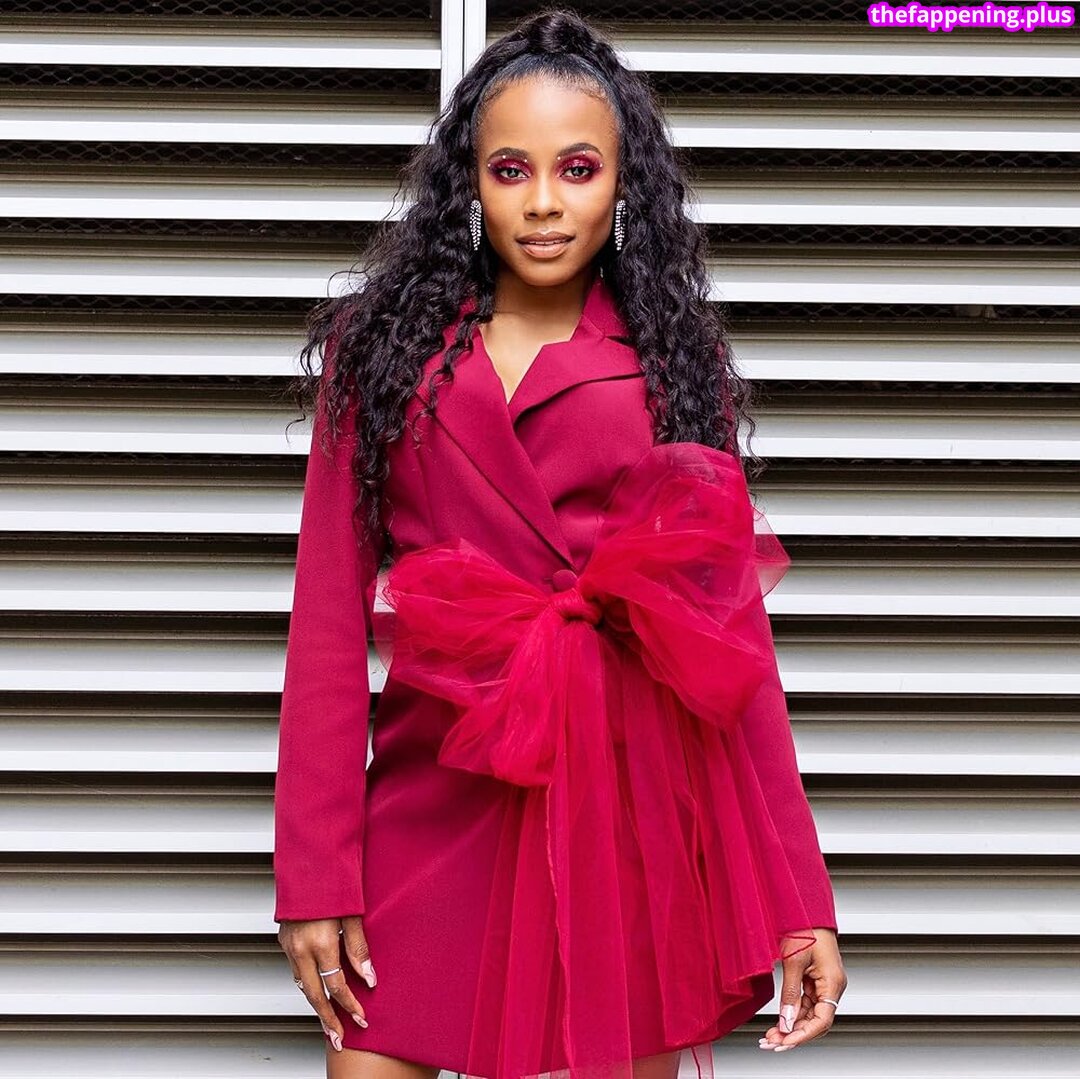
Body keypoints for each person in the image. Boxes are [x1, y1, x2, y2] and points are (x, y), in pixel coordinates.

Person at [273, 9, 847, 1079]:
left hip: (619, 803)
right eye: (510, 169)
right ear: (470, 183)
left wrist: (798, 895)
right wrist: (313, 874)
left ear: (623, 183)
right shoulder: (382, 351)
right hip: (437, 784)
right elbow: (327, 620)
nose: (543, 202)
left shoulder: (673, 359)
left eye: (578, 168)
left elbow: (730, 643)